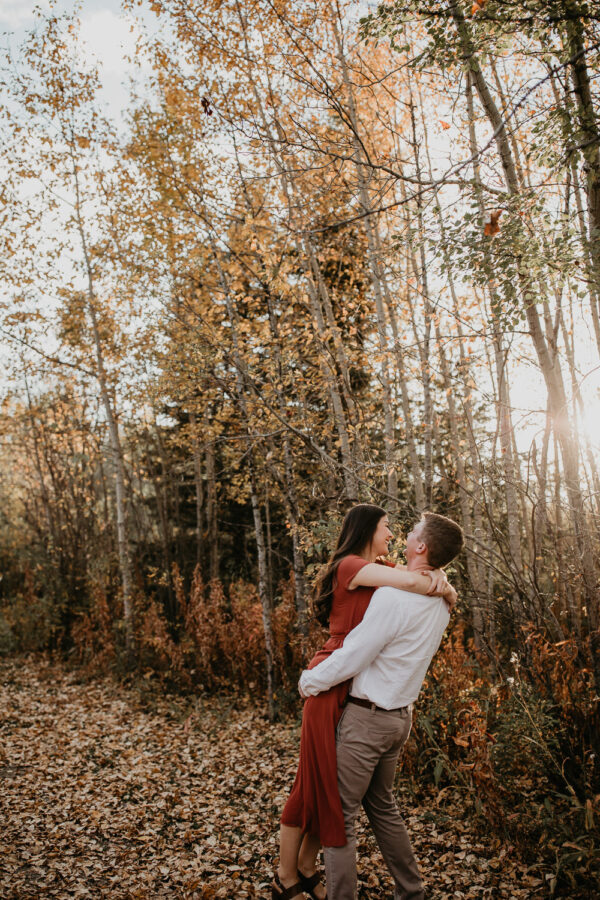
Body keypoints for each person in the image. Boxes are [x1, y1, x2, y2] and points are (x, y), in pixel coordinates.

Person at [272, 504, 457, 900]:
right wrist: (442, 580)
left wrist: (309, 681)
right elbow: (418, 582)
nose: (398, 534)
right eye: (389, 527)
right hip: (399, 720)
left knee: (340, 817)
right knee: (383, 807)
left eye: (408, 531)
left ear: (421, 546)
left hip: (366, 717)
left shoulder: (394, 596)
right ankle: (411, 892)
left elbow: (358, 652)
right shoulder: (439, 599)